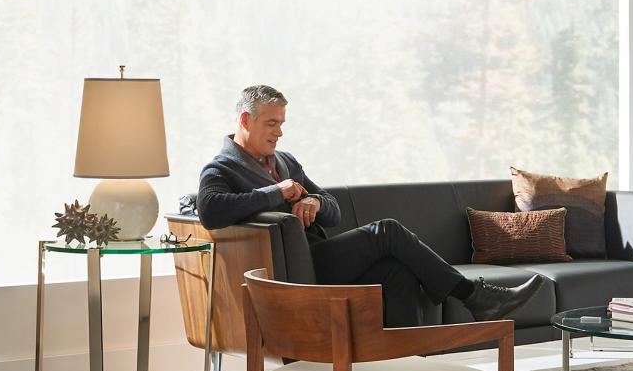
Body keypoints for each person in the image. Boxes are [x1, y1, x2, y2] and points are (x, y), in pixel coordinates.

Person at [196, 84, 541, 326]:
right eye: (271, 124)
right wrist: (277, 194)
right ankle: (475, 297)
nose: (279, 133)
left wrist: (314, 200)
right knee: (387, 231)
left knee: (398, 271)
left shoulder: (285, 161)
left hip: (321, 256)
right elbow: (210, 210)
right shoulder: (222, 168)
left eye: (281, 124)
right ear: (244, 121)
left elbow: (334, 210)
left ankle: (405, 365)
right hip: (297, 273)